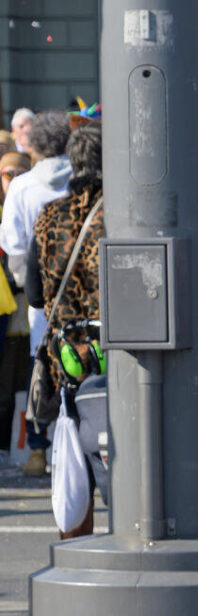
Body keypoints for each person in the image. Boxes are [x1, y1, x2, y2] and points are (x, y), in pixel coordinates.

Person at [24, 123, 103, 537]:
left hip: (66, 357)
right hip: (116, 351)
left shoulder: (50, 214)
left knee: (74, 451)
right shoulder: (121, 214)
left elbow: (35, 297)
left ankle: (76, 540)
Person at [2, 111, 72, 478]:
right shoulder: (86, 180)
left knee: (40, 372)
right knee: (82, 368)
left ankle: (39, 451)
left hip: (41, 299)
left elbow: (14, 247)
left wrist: (30, 287)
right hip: (84, 297)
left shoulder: (22, 186)